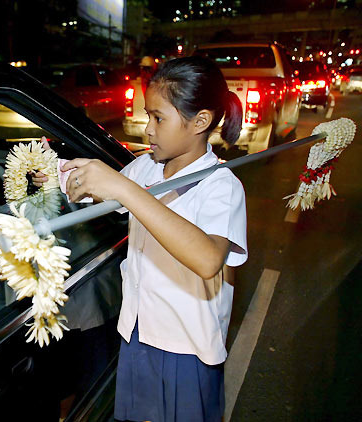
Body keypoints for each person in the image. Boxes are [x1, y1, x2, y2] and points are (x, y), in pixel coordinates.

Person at [36, 56, 247, 421]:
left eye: (158, 117)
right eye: (147, 114)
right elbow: (100, 192)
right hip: (137, 333)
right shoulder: (147, 165)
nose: (148, 129)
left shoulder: (221, 186)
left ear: (201, 121)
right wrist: (57, 173)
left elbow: (209, 258)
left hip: (186, 348)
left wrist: (126, 190)